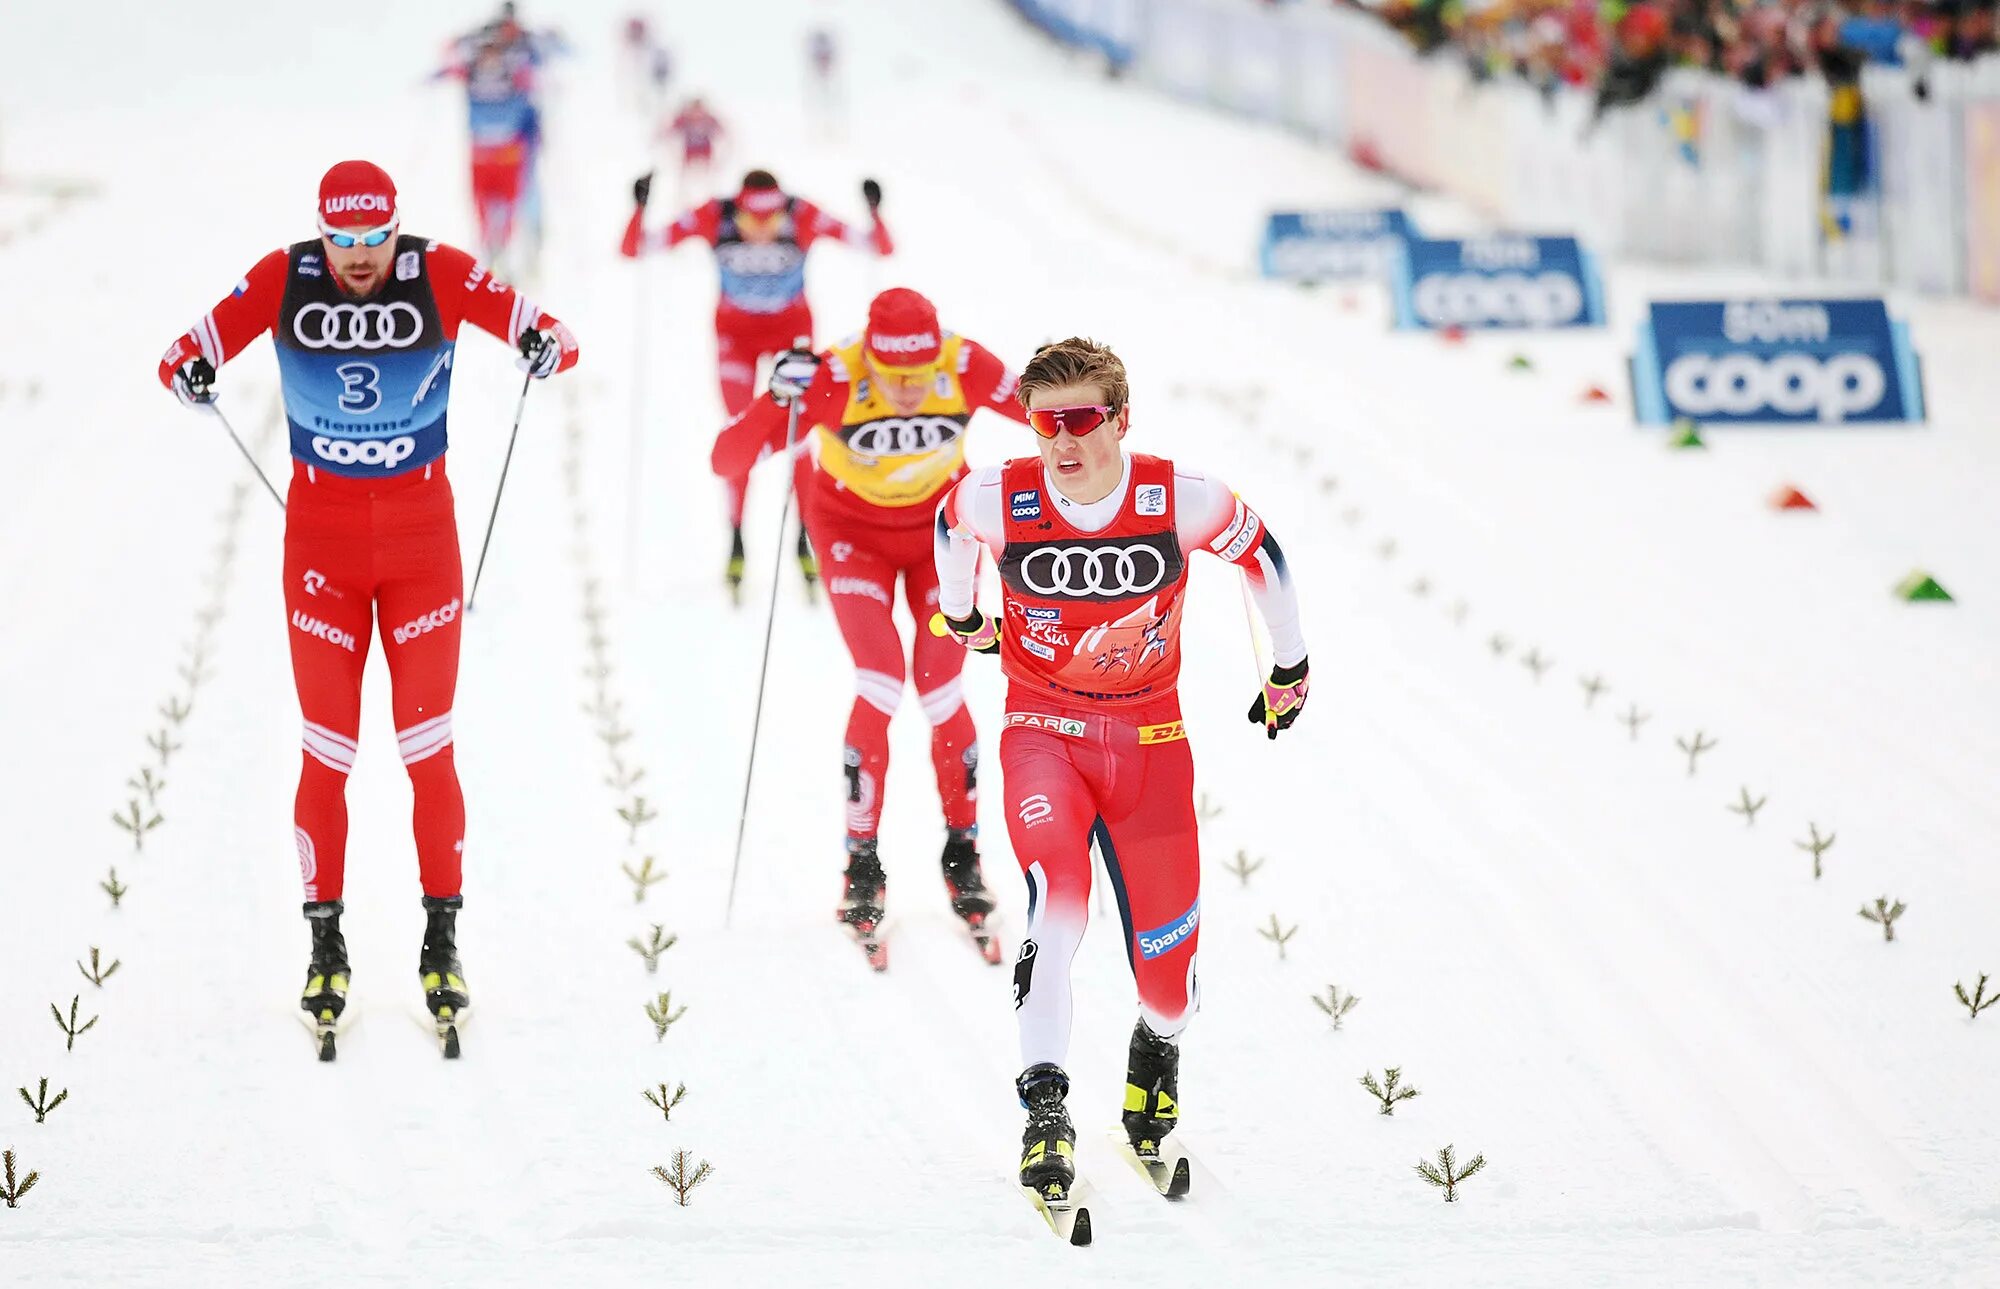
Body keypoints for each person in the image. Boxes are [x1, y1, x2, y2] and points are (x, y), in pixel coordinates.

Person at [155, 160, 580, 1056]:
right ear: (322, 230)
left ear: (396, 228)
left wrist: (542, 344)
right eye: (341, 239)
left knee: (427, 748)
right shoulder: (285, 274)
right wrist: (191, 370)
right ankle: (325, 943)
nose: (356, 257)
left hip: (424, 541)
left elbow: (552, 331)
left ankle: (442, 938)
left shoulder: (442, 272)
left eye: (372, 239)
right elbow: (179, 351)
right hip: (323, 545)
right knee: (329, 749)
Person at [931, 337, 1308, 1200]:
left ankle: (1157, 1045)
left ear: (1121, 417)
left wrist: (1288, 667)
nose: (1061, 440)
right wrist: (965, 617)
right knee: (1056, 904)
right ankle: (1045, 1111)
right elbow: (950, 527)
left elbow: (1265, 558)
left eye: (1081, 418)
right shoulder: (998, 493)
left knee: (1170, 978)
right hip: (1042, 730)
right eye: (1042, 420)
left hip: (1149, 740)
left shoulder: (1179, 496)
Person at [711, 288, 1030, 969]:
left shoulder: (966, 363)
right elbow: (727, 460)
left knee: (941, 689)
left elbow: (1051, 407)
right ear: (871, 359)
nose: (911, 391)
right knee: (882, 679)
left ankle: (963, 854)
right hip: (850, 531)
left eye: (921, 377)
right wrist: (775, 398)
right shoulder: (832, 375)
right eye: (895, 378)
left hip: (943, 529)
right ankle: (862, 864)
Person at [622, 167, 892, 597]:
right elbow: (637, 248)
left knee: (802, 434)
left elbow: (877, 247)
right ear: (739, 212)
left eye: (771, 223)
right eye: (751, 223)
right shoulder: (716, 214)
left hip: (792, 333)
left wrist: (875, 210)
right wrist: (638, 207)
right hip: (736, 337)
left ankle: (804, 535)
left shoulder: (802, 214)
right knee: (741, 433)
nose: (761, 233)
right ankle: (736, 537)